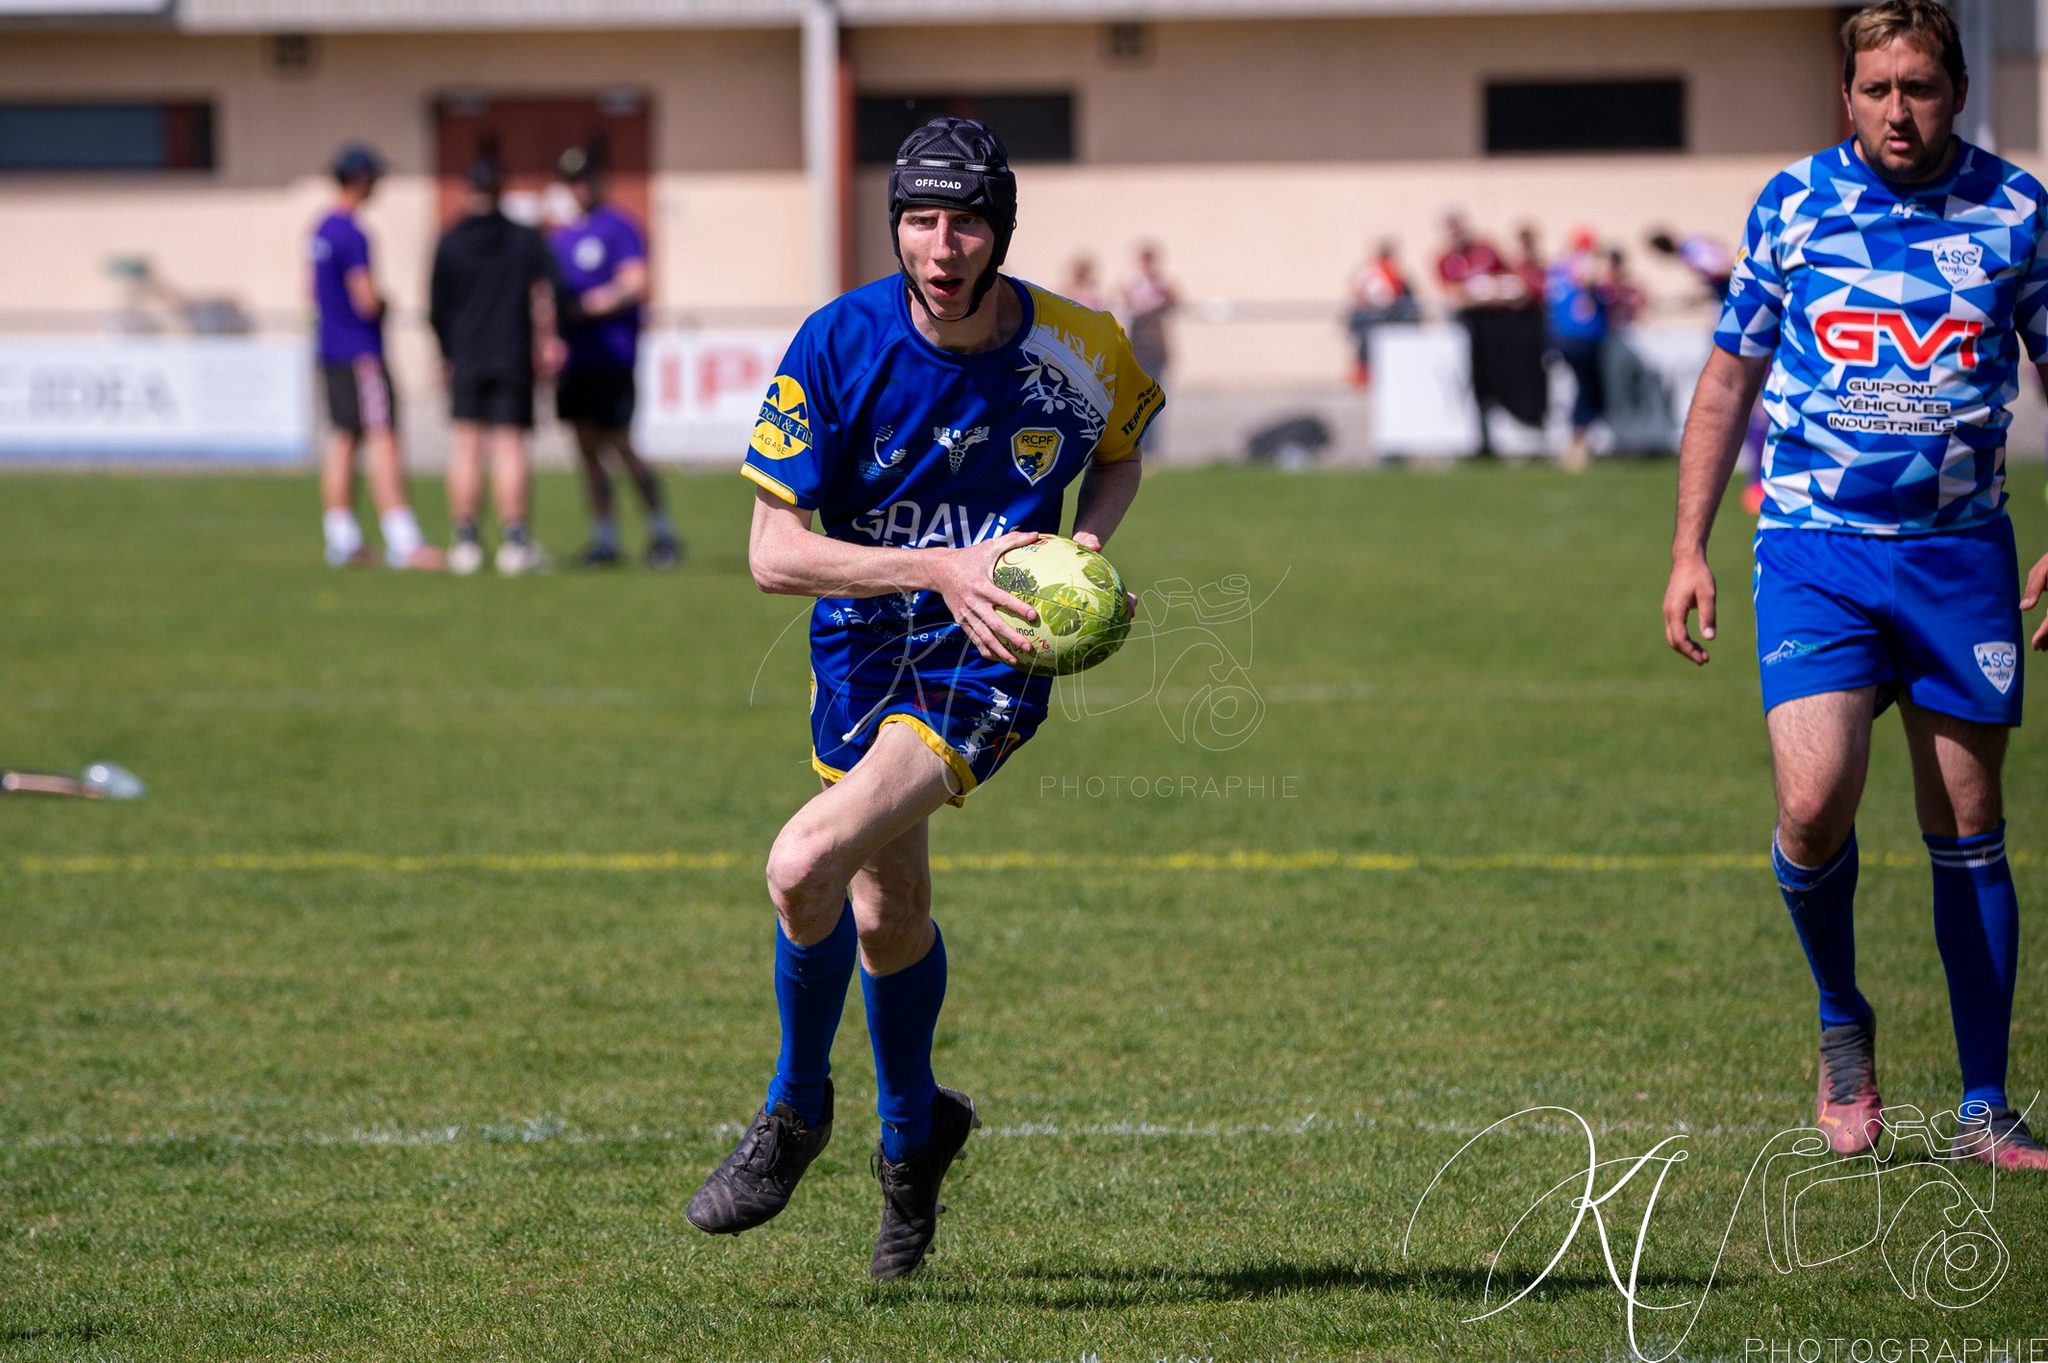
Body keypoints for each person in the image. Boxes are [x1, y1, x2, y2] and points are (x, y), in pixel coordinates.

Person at [686, 117, 1159, 1277]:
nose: (942, 247)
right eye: (920, 219)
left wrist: (1080, 561)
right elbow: (770, 552)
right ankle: (916, 1139)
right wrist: (934, 565)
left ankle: (796, 1109)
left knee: (800, 865)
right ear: (895, 224)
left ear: (1001, 231)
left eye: (966, 222)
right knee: (882, 911)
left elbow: (1123, 448)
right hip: (859, 646)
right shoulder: (837, 342)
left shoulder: (1078, 346)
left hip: (984, 656)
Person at [1662, 0, 2048, 1171]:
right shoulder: (1791, 206)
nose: (1897, 110)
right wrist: (1687, 546)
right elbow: (1727, 382)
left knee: (1966, 822)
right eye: (1875, 89)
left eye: (1918, 87)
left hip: (1958, 555)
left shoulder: (2015, 212)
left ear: (1955, 90)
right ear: (1845, 96)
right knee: (1813, 801)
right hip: (1814, 552)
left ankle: (1984, 1103)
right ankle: (1841, 1017)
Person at [429, 160, 564, 576]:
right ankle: (514, 543)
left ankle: (466, 541)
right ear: (501, 189)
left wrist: (446, 354)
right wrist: (547, 338)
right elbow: (549, 289)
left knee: (466, 448)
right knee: (509, 448)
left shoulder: (450, 241)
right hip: (511, 355)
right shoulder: (523, 238)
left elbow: (437, 309)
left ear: (468, 190)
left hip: (467, 356)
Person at [310, 144, 441, 571]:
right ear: (361, 179)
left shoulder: (319, 230)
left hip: (330, 348)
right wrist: (386, 303)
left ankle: (341, 538)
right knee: (383, 438)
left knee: (343, 440)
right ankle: (404, 541)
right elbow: (365, 298)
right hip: (359, 351)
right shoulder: (352, 233)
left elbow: (310, 291)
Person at [549, 147, 682, 570]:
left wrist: (589, 305)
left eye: (585, 178)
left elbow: (635, 282)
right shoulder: (559, 237)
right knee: (586, 449)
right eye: (572, 180)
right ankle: (603, 537)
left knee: (621, 445)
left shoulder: (619, 227)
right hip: (575, 362)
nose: (579, 187)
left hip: (612, 356)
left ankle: (662, 531)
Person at [1544, 228, 1607, 472]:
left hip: (1563, 335)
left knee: (1583, 389)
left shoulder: (1558, 266)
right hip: (1581, 336)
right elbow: (1587, 277)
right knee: (1587, 389)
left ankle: (1577, 439)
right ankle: (1577, 441)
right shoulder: (1580, 261)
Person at [1344, 238, 1419, 387]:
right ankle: (1363, 379)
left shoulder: (1390, 272)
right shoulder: (1372, 271)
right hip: (1372, 319)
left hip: (1387, 319)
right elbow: (1360, 294)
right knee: (1367, 353)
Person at [1120, 242, 1177, 392]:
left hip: (1155, 340)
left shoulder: (1161, 283)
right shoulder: (1132, 282)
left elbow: (1172, 300)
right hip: (1138, 339)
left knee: (1157, 384)